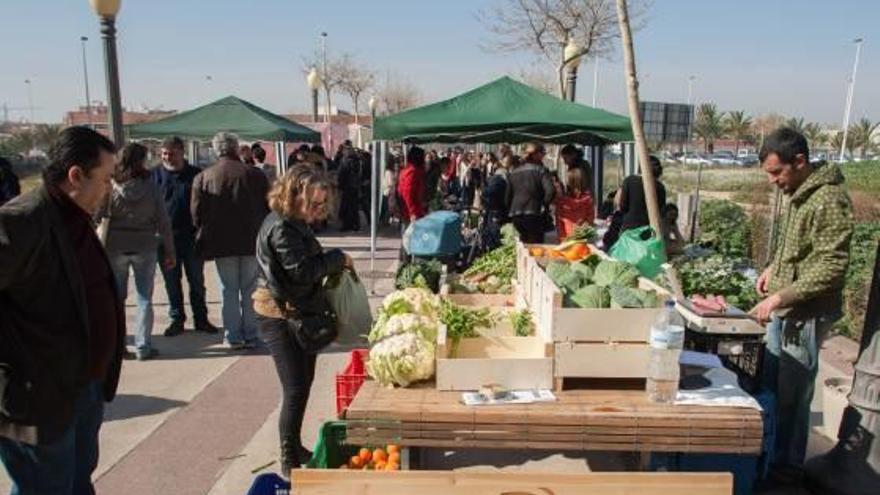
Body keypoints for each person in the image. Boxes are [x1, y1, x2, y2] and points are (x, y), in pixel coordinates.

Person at [0, 126, 125, 494]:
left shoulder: (75, 217)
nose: (109, 190)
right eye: (104, 180)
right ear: (76, 176)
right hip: (39, 396)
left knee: (76, 484)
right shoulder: (22, 220)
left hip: (83, 388)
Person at [750, 128, 853, 483]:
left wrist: (781, 296)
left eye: (777, 172)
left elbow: (831, 266)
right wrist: (772, 270)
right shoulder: (799, 193)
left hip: (804, 314)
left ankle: (786, 469)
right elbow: (794, 248)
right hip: (786, 310)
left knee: (793, 396)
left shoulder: (828, 200)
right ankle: (768, 456)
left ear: (800, 162)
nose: (773, 181)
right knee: (773, 387)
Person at [252, 164, 354, 474]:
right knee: (295, 388)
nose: (319, 210)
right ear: (293, 195)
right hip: (280, 315)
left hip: (295, 310)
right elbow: (301, 272)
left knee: (304, 383)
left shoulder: (293, 221)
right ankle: (288, 458)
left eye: (323, 204)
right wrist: (337, 258)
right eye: (314, 204)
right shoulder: (282, 227)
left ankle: (295, 445)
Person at [192, 132, 270, 349]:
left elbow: (196, 213)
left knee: (228, 290)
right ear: (236, 148)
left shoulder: (204, 177)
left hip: (221, 242)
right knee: (249, 289)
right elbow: (268, 206)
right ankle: (251, 334)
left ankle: (232, 336)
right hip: (251, 240)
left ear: (217, 150)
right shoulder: (254, 175)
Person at [103, 143, 176, 361]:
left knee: (117, 299)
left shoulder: (110, 187)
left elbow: (97, 215)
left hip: (115, 244)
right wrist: (170, 250)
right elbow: (163, 221)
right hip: (145, 243)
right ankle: (143, 346)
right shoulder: (151, 187)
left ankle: (119, 345)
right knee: (145, 297)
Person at [152, 136, 219, 337]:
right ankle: (176, 319)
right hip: (165, 240)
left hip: (191, 238)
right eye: (164, 153)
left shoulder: (197, 175)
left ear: (182, 152)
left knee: (196, 281)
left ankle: (201, 318)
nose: (167, 157)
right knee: (172, 283)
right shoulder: (154, 176)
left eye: (171, 153)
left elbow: (207, 205)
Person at [505, 142, 555, 243]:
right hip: (534, 214)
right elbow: (551, 191)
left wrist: (511, 210)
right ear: (536, 154)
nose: (543, 156)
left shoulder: (514, 172)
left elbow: (507, 197)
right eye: (542, 153)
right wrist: (543, 205)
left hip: (516, 215)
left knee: (524, 244)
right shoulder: (541, 170)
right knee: (536, 246)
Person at [617, 155, 667, 233]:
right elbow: (661, 211)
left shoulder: (629, 181)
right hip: (649, 228)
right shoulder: (660, 187)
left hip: (629, 227)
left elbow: (622, 205)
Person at [554, 167, 595, 241]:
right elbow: (590, 221)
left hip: (565, 238)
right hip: (582, 238)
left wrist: (562, 238)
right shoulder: (588, 200)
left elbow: (559, 222)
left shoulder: (561, 201)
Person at [397, 146, 427, 224]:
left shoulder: (407, 170)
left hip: (409, 210)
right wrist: (413, 212)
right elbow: (408, 194)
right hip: (412, 211)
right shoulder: (412, 172)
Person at [336, 145, 361, 231]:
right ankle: (354, 224)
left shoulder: (348, 160)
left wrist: (340, 184)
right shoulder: (355, 160)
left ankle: (349, 224)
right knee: (352, 207)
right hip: (352, 186)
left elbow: (343, 173)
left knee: (347, 207)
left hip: (348, 186)